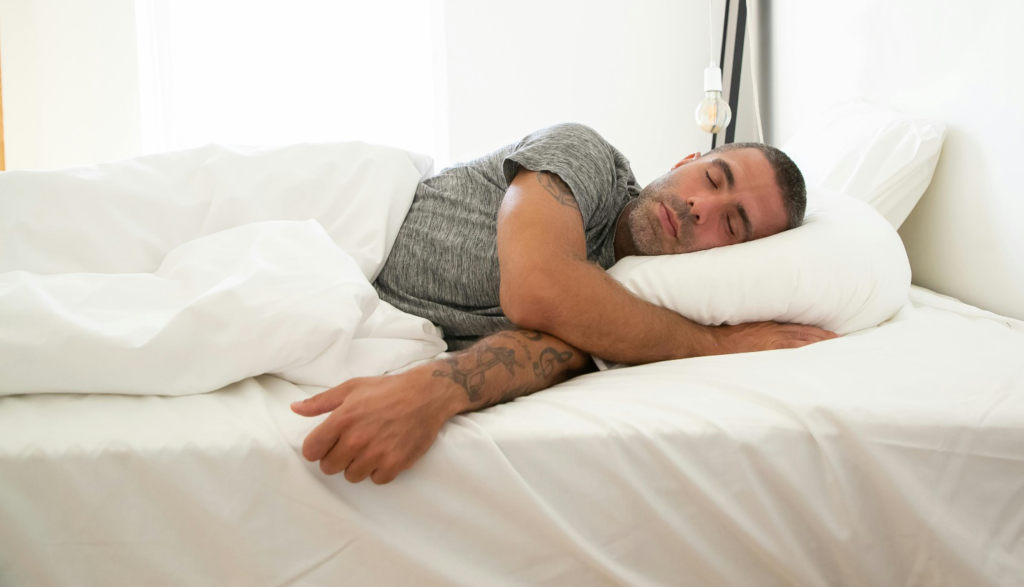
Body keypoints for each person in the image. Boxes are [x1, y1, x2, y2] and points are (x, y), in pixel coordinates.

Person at [290, 123, 838, 484]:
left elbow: (556, 346)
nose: (700, 206)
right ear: (687, 158)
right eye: (713, 178)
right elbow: (540, 290)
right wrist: (719, 345)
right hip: (318, 235)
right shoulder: (587, 158)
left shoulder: (638, 311)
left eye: (732, 223)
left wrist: (434, 391)